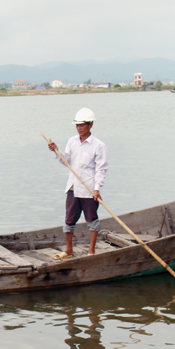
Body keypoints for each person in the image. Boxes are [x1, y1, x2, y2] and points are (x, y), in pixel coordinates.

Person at [47, 107, 108, 259]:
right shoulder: (72, 141)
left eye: (82, 125)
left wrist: (97, 189)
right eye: (77, 125)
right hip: (73, 187)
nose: (79, 128)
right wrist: (56, 151)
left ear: (90, 125)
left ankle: (91, 250)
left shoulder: (98, 145)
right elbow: (66, 161)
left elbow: (101, 169)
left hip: (89, 188)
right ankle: (69, 250)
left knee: (92, 220)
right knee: (69, 220)